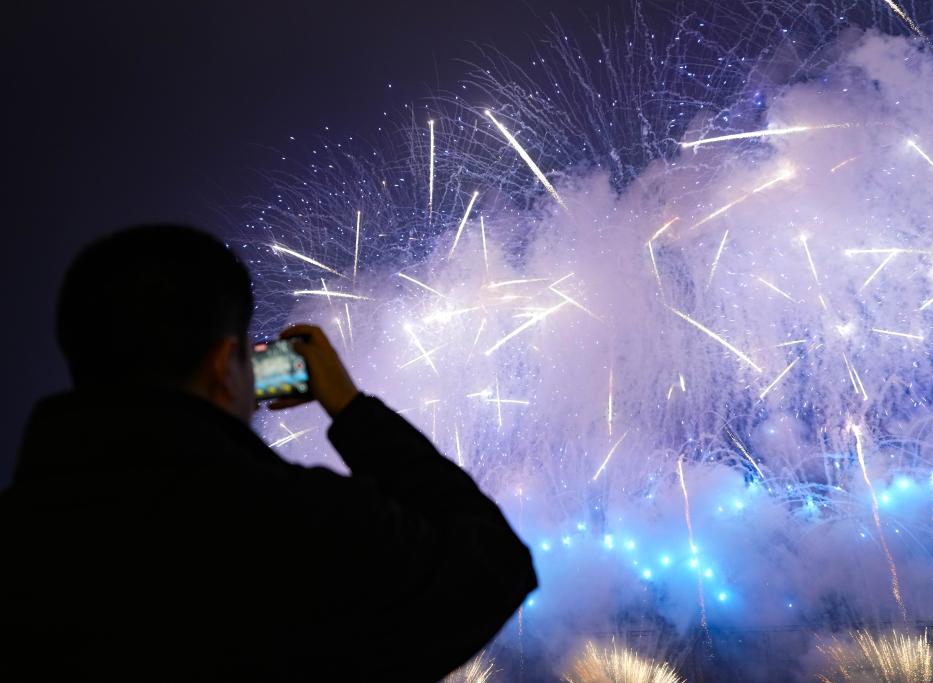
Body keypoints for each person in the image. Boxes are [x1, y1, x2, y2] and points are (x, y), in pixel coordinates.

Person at [0, 225, 537, 682]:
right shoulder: (289, 520)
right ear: (224, 363)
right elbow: (493, 565)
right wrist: (351, 409)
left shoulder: (23, 536)